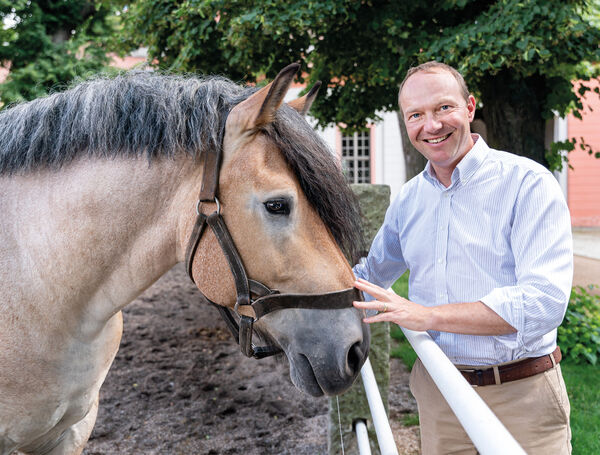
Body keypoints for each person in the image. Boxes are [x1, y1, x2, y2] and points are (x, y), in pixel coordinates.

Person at [352, 61, 573, 454]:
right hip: (440, 397)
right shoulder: (408, 200)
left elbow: (544, 303)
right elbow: (369, 276)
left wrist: (429, 316)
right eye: (416, 115)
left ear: (470, 107)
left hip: (521, 397)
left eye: (443, 108)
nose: (431, 125)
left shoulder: (528, 183)